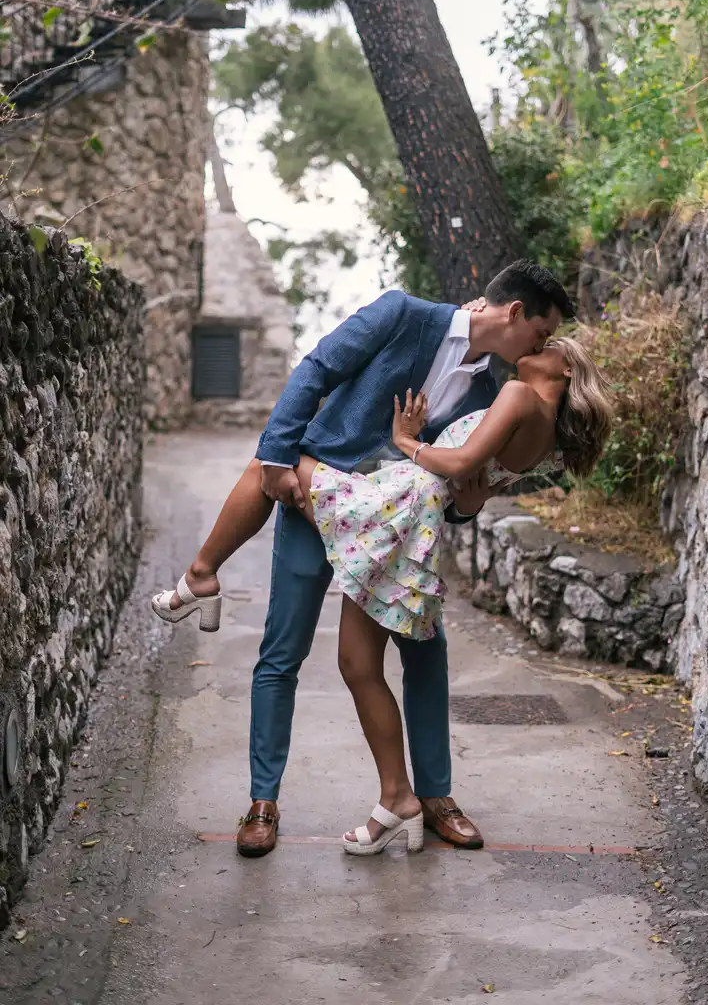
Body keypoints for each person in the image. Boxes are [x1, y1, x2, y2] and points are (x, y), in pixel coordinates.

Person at [153, 261, 575, 858]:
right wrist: (277, 454)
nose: (542, 345)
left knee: (425, 653)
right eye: (541, 331)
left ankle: (435, 799)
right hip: (319, 498)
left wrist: (468, 503)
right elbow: (318, 367)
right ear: (513, 313)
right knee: (282, 650)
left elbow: (454, 485)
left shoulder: (493, 393)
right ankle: (262, 802)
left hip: (396, 535)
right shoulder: (402, 313)